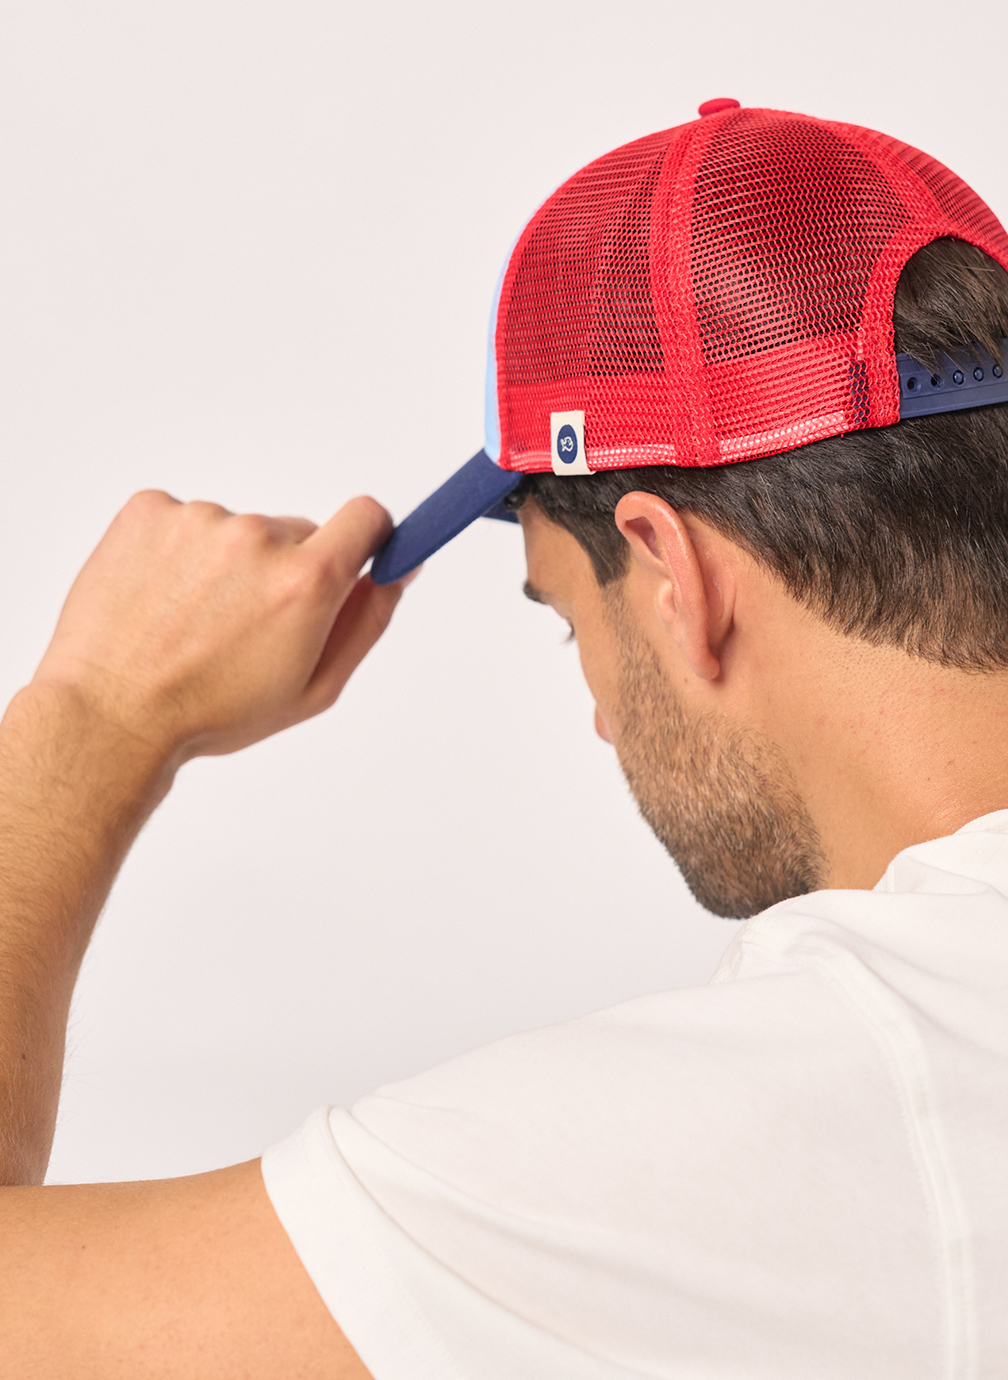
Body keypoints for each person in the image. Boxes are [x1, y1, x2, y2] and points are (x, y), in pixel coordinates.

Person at [2, 99, 1007, 1377]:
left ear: (671, 576)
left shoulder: (811, 1109)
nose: (598, 714)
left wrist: (95, 716)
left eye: (567, 619)